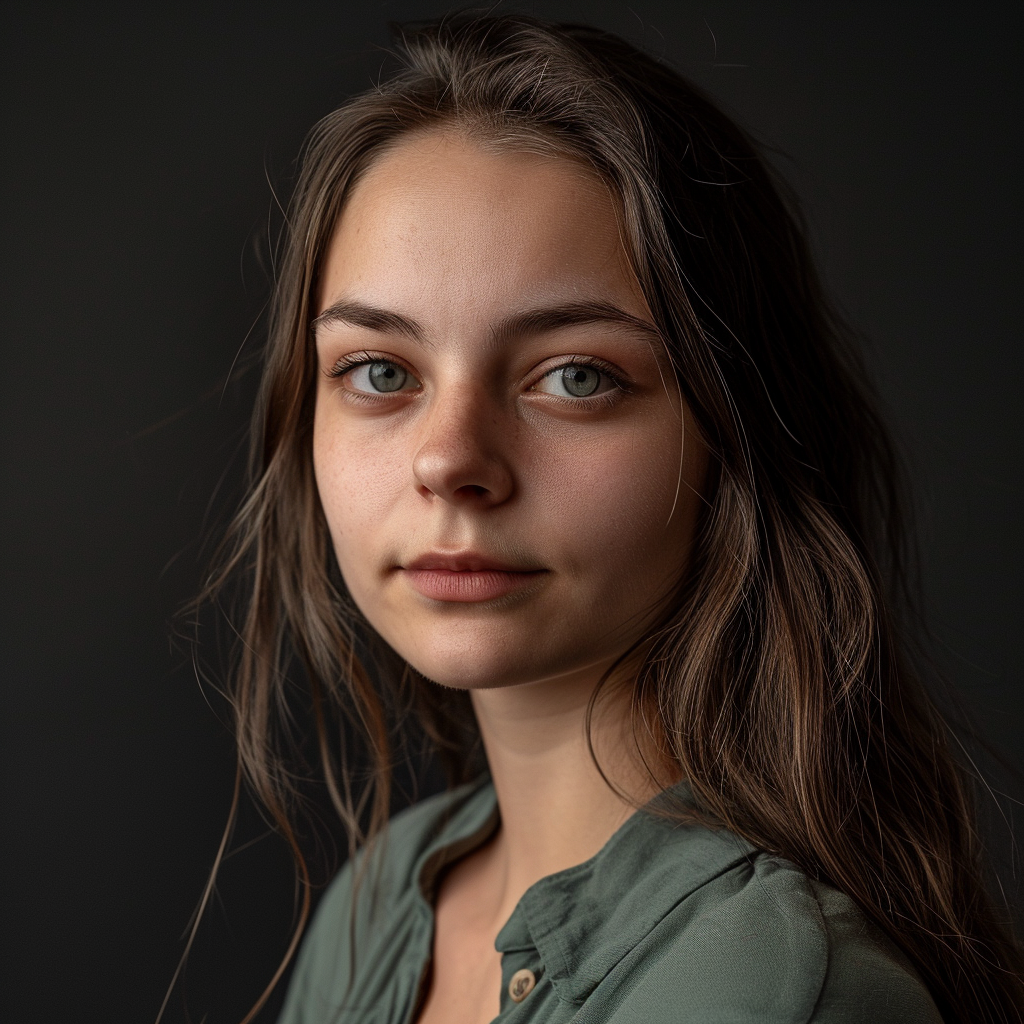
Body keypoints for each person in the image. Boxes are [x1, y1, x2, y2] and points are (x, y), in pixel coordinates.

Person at [183, 12, 1023, 1024]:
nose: (450, 459)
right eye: (380, 371)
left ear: (733, 434)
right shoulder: (373, 907)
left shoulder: (770, 991)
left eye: (574, 376)